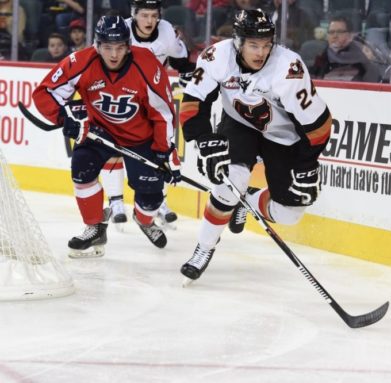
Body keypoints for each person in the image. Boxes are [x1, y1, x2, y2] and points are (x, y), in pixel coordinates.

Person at [179, 8, 332, 281]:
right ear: (238, 42)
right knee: (230, 179)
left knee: (290, 213)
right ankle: (203, 248)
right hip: (239, 124)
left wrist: (307, 164)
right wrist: (203, 139)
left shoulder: (288, 68)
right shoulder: (216, 57)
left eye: (266, 44)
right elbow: (192, 104)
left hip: (283, 136)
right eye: (253, 45)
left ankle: (245, 200)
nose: (261, 52)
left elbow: (319, 126)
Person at [32, 15, 179, 257]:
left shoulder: (147, 65)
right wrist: (64, 117)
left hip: (140, 137)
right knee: (81, 169)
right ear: (97, 45)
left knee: (151, 197)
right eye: (107, 47)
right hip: (98, 131)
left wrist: (164, 149)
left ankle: (144, 220)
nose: (114, 54)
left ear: (128, 46)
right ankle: (95, 227)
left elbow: (162, 113)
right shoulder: (81, 61)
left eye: (120, 47)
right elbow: (45, 92)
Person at [100, 0, 195, 230]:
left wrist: (187, 75)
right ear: (134, 15)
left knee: (160, 150)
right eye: (144, 15)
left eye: (154, 15)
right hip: (122, 96)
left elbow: (182, 60)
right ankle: (115, 201)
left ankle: (157, 201)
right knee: (114, 146)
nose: (150, 21)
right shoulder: (119, 30)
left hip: (153, 99)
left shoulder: (166, 31)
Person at [309, 14, 380, 82]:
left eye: (339, 32)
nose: (335, 36)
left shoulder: (362, 57)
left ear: (350, 36)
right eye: (331, 32)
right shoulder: (322, 57)